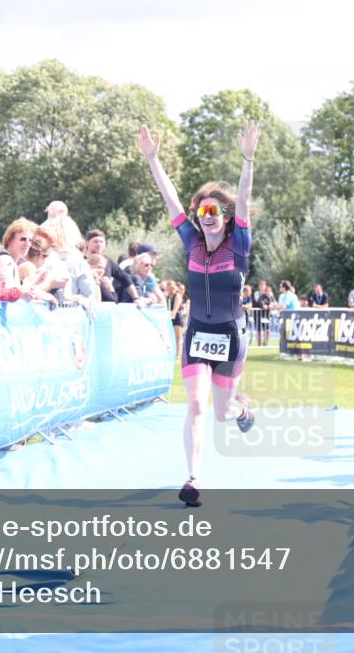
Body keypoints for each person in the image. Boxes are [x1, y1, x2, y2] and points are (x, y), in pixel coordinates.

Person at [139, 119, 260, 508]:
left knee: (223, 414)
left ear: (224, 217)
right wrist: (153, 161)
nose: (207, 215)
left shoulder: (238, 244)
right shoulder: (190, 240)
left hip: (229, 338)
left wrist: (247, 158)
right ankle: (193, 479)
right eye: (202, 210)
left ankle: (243, 408)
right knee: (195, 405)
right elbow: (171, 199)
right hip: (196, 335)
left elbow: (243, 200)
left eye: (214, 210)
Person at [84, 228, 144, 304]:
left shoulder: (108, 261)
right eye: (95, 242)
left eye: (101, 242)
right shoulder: (80, 261)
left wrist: (136, 298)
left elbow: (125, 278)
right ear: (87, 243)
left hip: (107, 304)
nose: (99, 244)